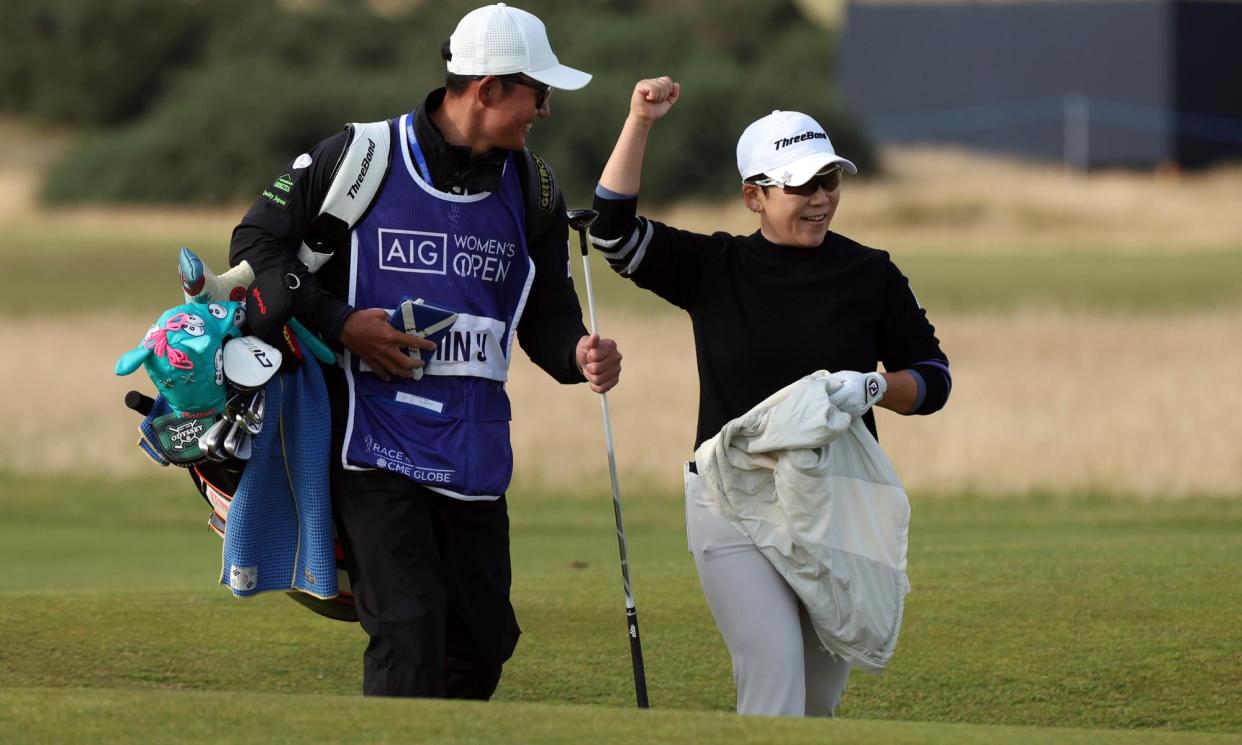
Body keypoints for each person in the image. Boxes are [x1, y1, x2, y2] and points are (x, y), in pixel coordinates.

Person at [229, 4, 622, 700]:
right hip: (372, 445)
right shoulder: (357, 156)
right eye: (540, 92)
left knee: (481, 643)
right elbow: (256, 244)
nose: (546, 110)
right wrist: (343, 322)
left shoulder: (535, 187)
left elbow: (547, 313)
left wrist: (578, 354)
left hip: (475, 453)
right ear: (489, 88)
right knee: (408, 630)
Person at [589, 77, 951, 717]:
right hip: (730, 495)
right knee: (775, 674)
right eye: (801, 186)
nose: (820, 199)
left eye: (830, 183)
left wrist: (874, 387)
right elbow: (613, 234)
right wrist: (640, 121)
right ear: (753, 196)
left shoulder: (870, 273)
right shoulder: (715, 266)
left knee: (817, 699)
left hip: (833, 499)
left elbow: (932, 378)